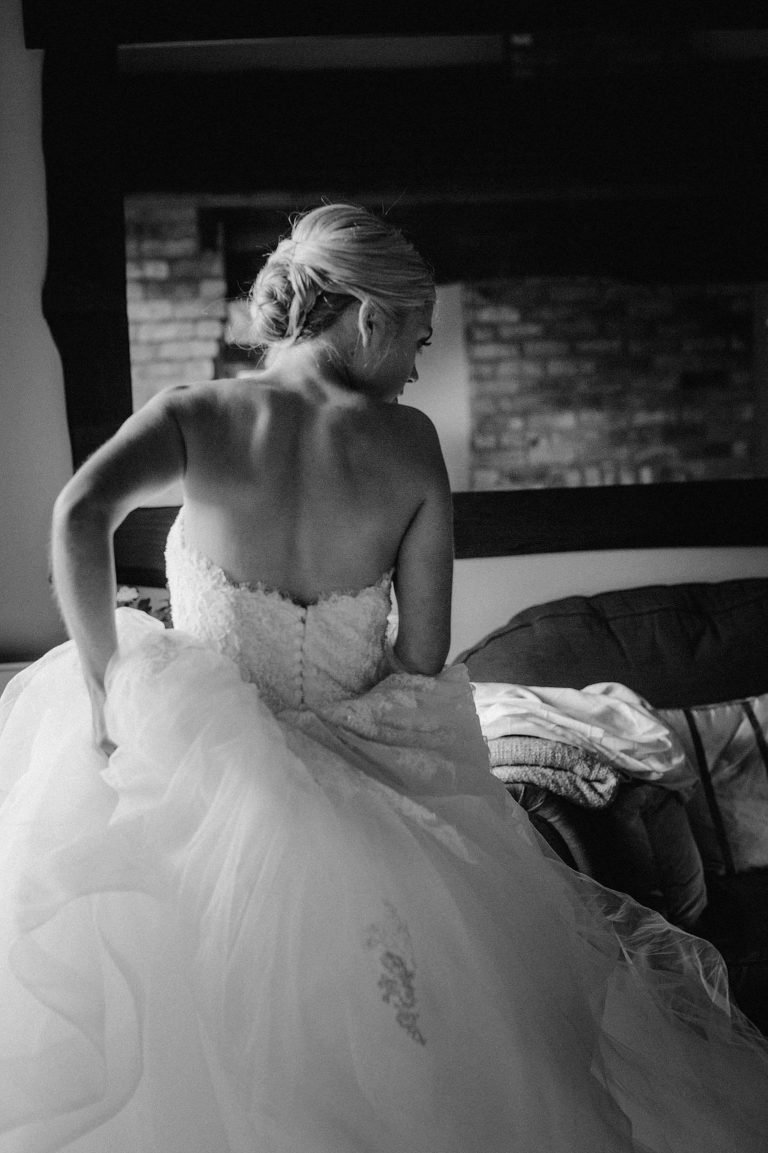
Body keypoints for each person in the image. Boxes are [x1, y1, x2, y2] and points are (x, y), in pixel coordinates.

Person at [0, 203, 766, 1153]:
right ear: (366, 318)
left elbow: (79, 513)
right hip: (355, 779)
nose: (413, 363)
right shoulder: (408, 447)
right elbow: (423, 652)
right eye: (416, 335)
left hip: (197, 775)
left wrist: (103, 687)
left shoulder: (195, 415)